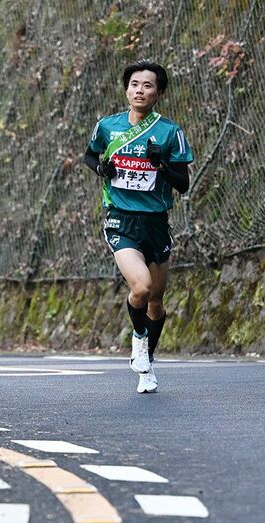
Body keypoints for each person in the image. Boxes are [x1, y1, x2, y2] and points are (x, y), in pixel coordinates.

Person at [84, 60, 194, 393]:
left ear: (158, 92)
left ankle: (147, 365)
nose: (140, 91)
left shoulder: (170, 132)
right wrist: (101, 169)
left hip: (156, 222)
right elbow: (90, 156)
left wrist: (161, 165)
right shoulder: (108, 127)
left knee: (156, 303)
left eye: (147, 85)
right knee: (141, 288)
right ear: (126, 89)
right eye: (134, 84)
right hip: (121, 219)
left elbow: (183, 183)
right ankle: (138, 338)